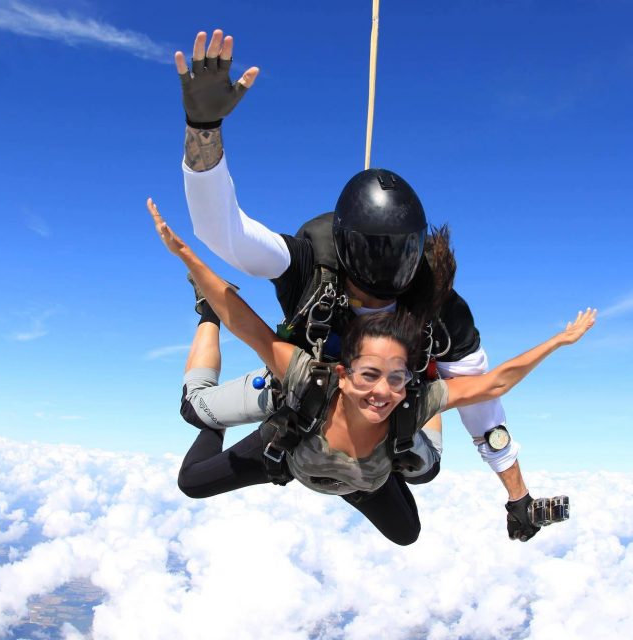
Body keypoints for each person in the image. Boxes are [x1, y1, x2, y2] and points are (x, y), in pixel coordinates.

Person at [174, 29, 555, 541]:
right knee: (194, 427)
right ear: (346, 246)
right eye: (375, 256)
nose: (387, 274)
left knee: (416, 492)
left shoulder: (441, 309)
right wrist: (204, 129)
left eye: (400, 257)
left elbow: (485, 402)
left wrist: (518, 494)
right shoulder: (310, 261)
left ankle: (352, 465)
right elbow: (224, 232)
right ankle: (210, 323)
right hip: (297, 399)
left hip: (378, 422)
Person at [146, 198, 597, 545]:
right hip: (290, 446)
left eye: (396, 378)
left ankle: (357, 475)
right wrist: (188, 257)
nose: (382, 392)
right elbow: (244, 322)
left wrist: (557, 342)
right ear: (342, 372)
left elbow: (494, 384)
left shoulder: (412, 400)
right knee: (192, 472)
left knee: (409, 526)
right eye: (369, 376)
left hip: (363, 474)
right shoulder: (308, 378)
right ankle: (213, 412)